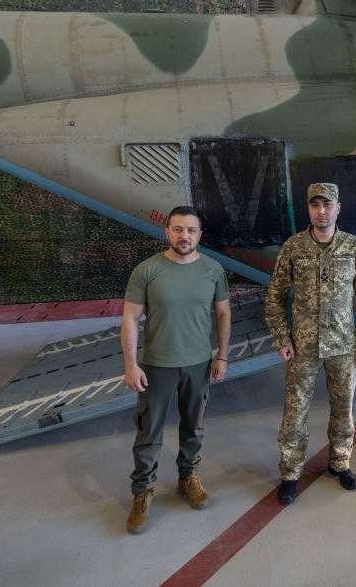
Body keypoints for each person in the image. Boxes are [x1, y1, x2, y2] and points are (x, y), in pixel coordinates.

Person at [264, 183, 356, 505]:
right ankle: (291, 473)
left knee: (343, 411)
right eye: (315, 204)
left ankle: (340, 463)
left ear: (338, 208)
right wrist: (282, 337)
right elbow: (275, 296)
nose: (321, 211)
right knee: (295, 414)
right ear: (308, 208)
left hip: (342, 345)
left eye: (327, 204)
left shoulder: (352, 246)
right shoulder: (294, 247)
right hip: (302, 348)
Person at [121, 206, 231, 534]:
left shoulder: (213, 270)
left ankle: (188, 477)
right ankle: (142, 492)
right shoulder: (147, 270)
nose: (185, 236)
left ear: (200, 235)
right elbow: (130, 318)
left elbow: (223, 314)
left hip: (198, 364)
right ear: (167, 231)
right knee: (149, 431)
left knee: (193, 426)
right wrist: (131, 365)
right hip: (157, 365)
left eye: (191, 230)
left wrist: (222, 357)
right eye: (178, 229)